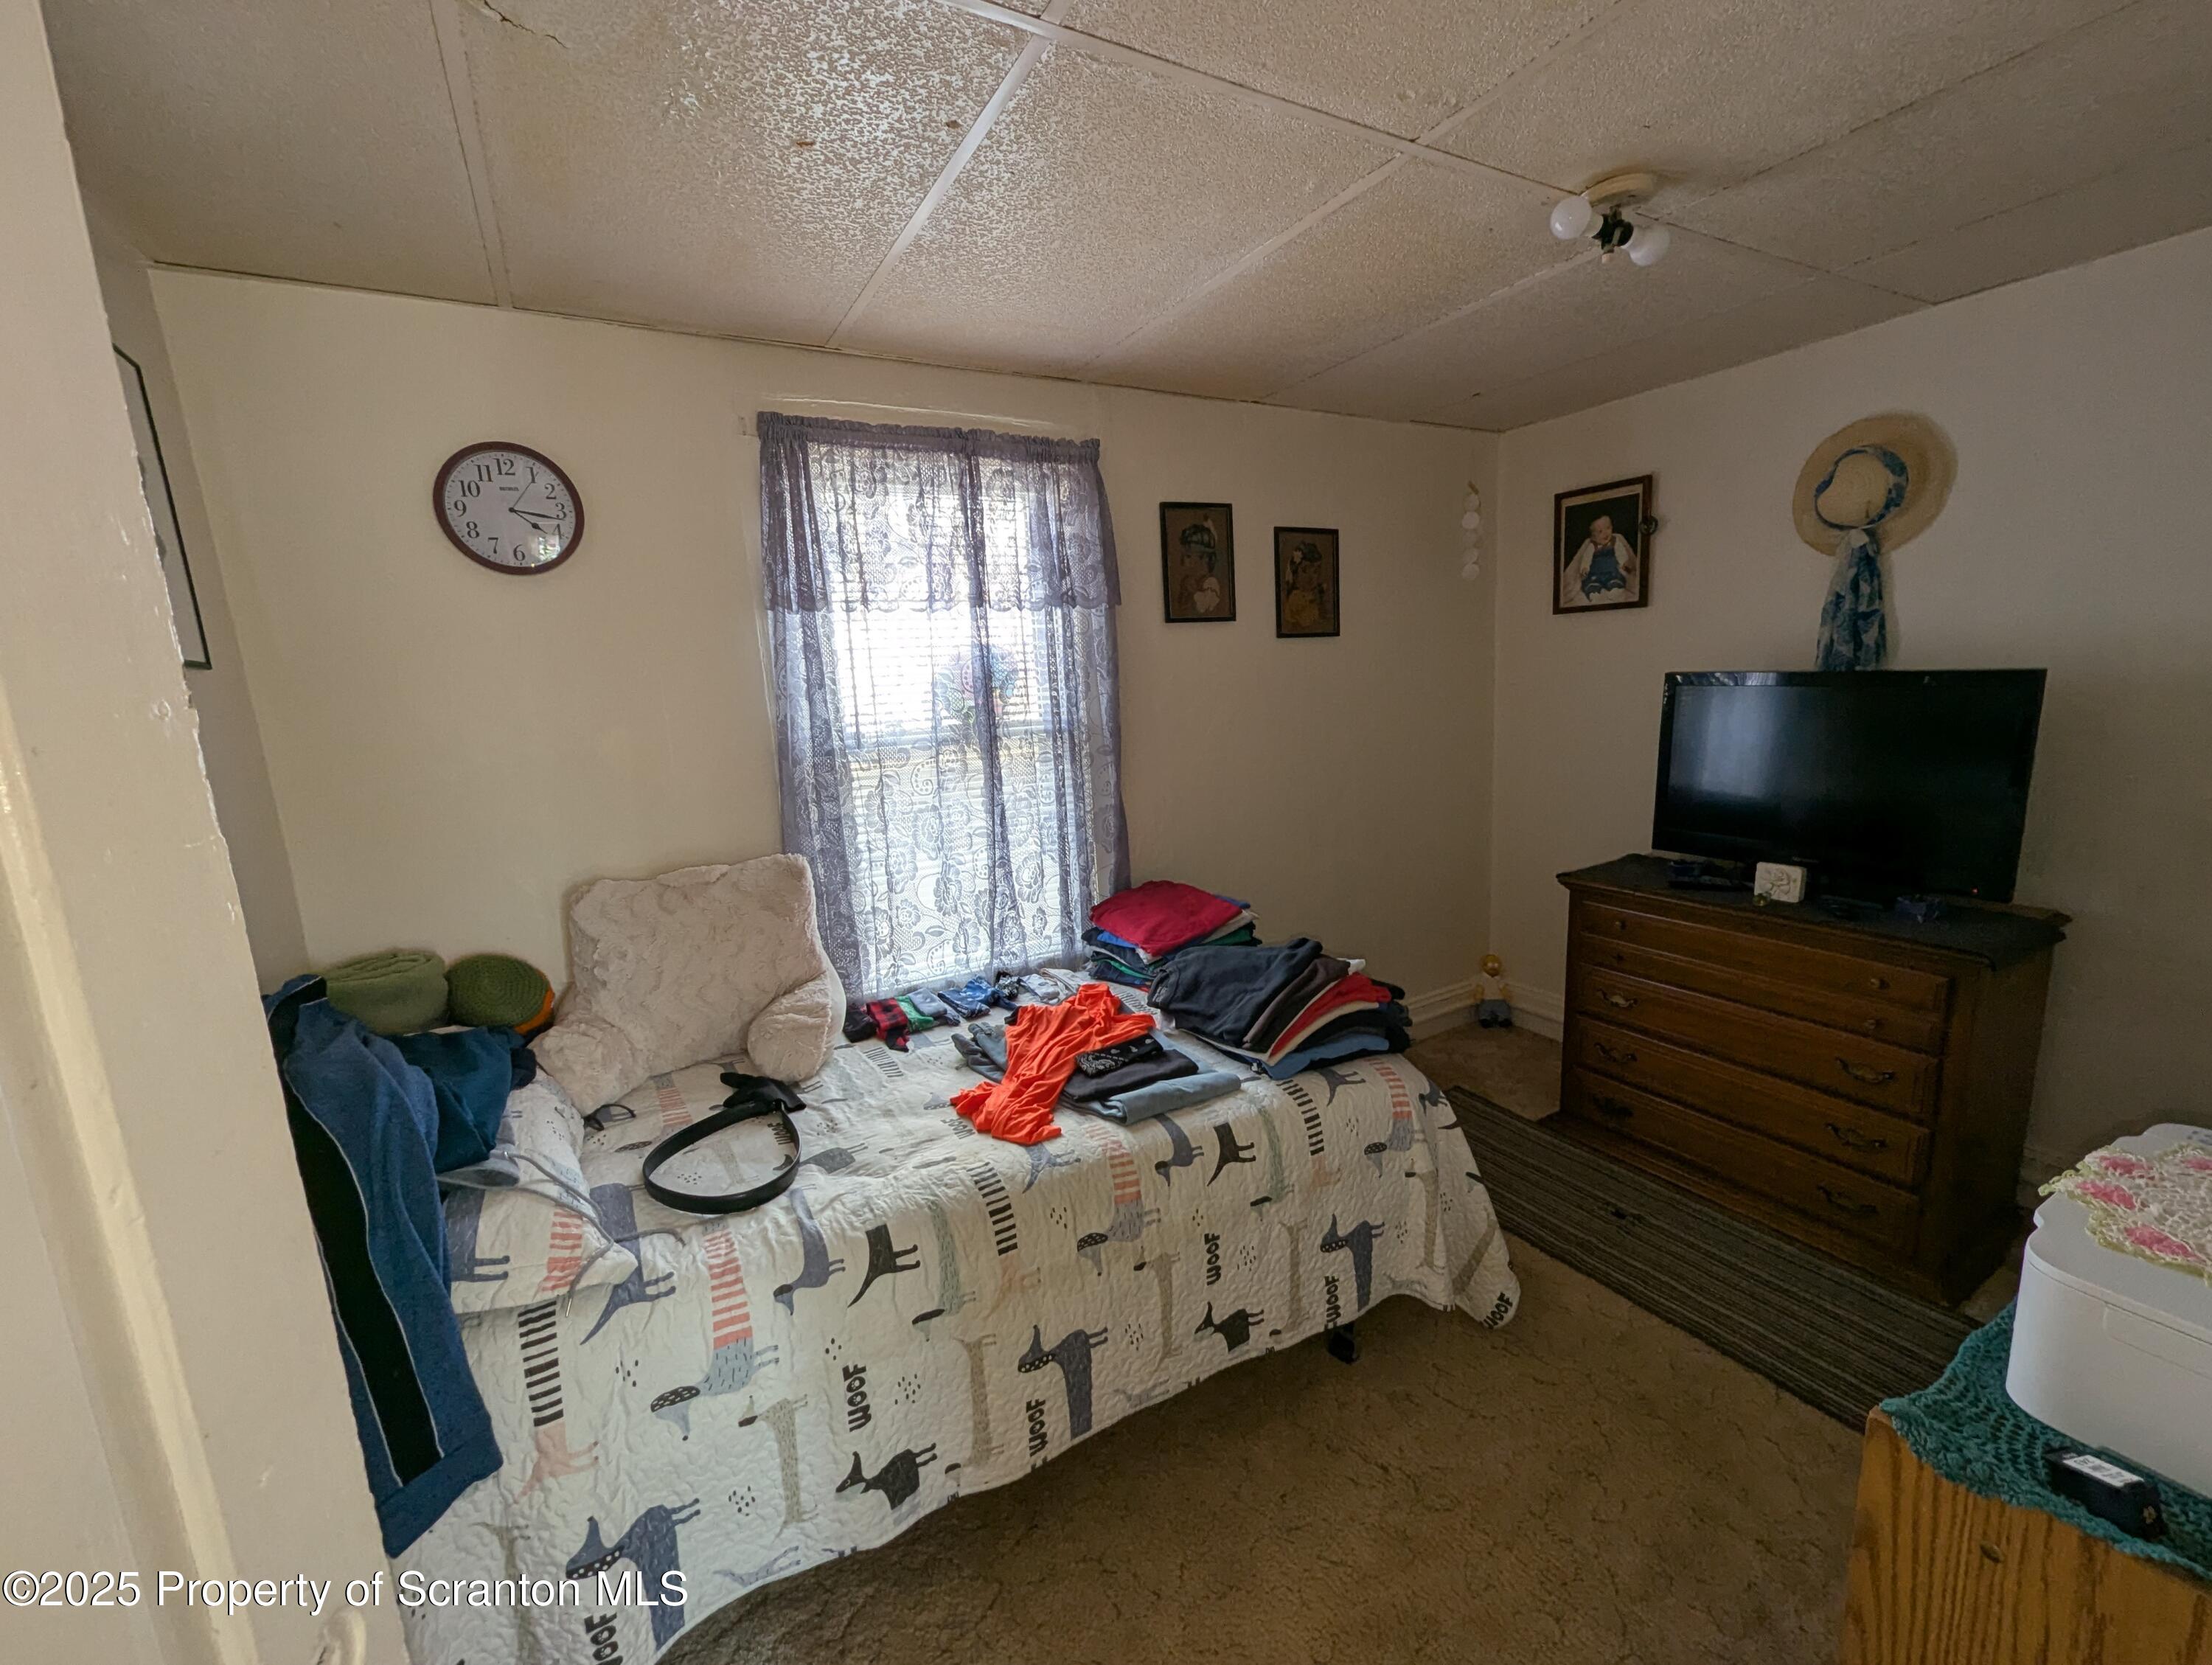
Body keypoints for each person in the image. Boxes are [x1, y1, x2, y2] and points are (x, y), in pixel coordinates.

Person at [1559, 512, 1637, 608]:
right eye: (1600, 531)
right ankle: (1594, 594)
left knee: (1616, 580)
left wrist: (1624, 563)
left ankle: (1616, 590)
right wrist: (1585, 568)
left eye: (1608, 528)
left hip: (1611, 571)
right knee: (1591, 584)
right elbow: (1586, 558)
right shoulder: (1592, 545)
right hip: (1595, 573)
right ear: (1593, 537)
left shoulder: (1616, 541)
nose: (1605, 533)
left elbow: (1621, 553)